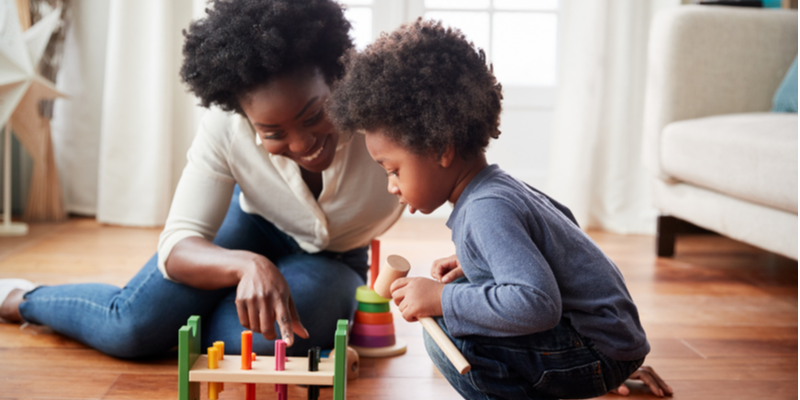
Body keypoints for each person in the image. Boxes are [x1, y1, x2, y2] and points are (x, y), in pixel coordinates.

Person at [0, 0, 403, 358]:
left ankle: (180, 317)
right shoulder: (225, 127)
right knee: (131, 328)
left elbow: (457, 175)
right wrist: (246, 266)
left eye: (314, 116)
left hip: (334, 258)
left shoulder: (387, 113)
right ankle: (20, 298)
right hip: (253, 227)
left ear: (336, 77)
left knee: (260, 341)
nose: (302, 144)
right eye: (273, 133)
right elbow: (178, 244)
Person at [328, 19, 674, 399]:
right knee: (464, 290)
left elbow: (538, 305)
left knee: (450, 335)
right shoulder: (497, 188)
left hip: (597, 350)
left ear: (441, 147)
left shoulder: (486, 209)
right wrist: (476, 260)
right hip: (610, 338)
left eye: (393, 170)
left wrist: (440, 299)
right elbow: (558, 246)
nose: (391, 186)